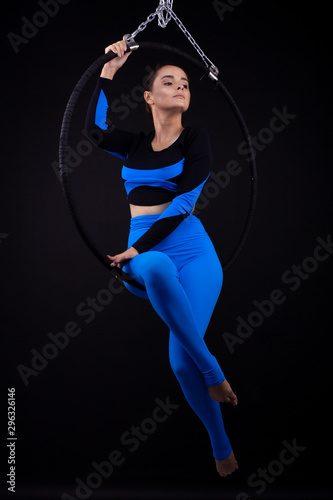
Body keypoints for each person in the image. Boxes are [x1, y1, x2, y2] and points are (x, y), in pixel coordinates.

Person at [85, 39, 238, 477]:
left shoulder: (197, 139)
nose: (180, 87)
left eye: (186, 83)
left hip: (193, 252)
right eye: (168, 82)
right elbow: (93, 131)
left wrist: (136, 247)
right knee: (155, 266)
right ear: (149, 97)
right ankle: (213, 371)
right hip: (148, 255)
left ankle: (221, 447)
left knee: (177, 361)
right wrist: (108, 73)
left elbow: (184, 202)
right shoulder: (131, 145)